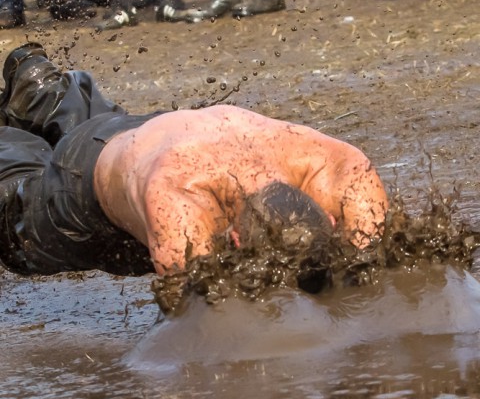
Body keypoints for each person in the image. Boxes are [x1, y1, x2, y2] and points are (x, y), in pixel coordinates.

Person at [0, 42, 388, 277]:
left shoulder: (344, 168)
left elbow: (377, 266)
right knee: (16, 219)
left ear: (331, 217)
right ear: (234, 240)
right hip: (81, 191)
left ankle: (39, 84)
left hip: (148, 135)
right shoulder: (178, 204)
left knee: (107, 138)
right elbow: (198, 324)